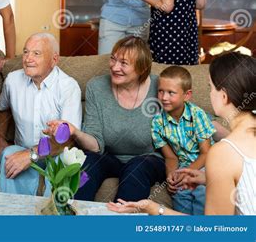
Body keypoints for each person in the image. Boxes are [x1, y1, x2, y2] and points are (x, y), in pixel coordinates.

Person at [108, 52, 256, 215]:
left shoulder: (222, 153)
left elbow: (215, 232)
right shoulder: (238, 147)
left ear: (224, 96)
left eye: (210, 88)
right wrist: (205, 179)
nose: (209, 94)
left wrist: (154, 208)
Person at [47, 36, 166, 202]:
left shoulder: (159, 86)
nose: (115, 67)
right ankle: (68, 217)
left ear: (141, 67)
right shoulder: (96, 87)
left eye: (123, 63)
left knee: (135, 170)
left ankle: (120, 225)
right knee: (87, 163)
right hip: (110, 157)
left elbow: (185, 112)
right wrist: (75, 132)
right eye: (113, 59)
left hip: (148, 158)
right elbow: (95, 146)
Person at [0, 33, 82, 195]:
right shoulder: (12, 80)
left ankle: (52, 217)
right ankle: (12, 214)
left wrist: (31, 155)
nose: (28, 59)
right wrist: (0, 139)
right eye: (26, 52)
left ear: (54, 60)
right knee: (8, 154)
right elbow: (2, 108)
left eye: (36, 53)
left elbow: (68, 140)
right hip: (23, 148)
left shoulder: (68, 87)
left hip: (56, 152)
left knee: (67, 160)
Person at [152, 66, 214, 215]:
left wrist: (189, 173)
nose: (164, 97)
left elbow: (206, 153)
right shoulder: (157, 122)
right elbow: (170, 156)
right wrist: (172, 175)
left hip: (205, 163)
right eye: (161, 91)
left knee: (201, 190)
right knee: (179, 190)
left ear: (187, 95)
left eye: (171, 93)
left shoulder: (197, 115)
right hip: (183, 165)